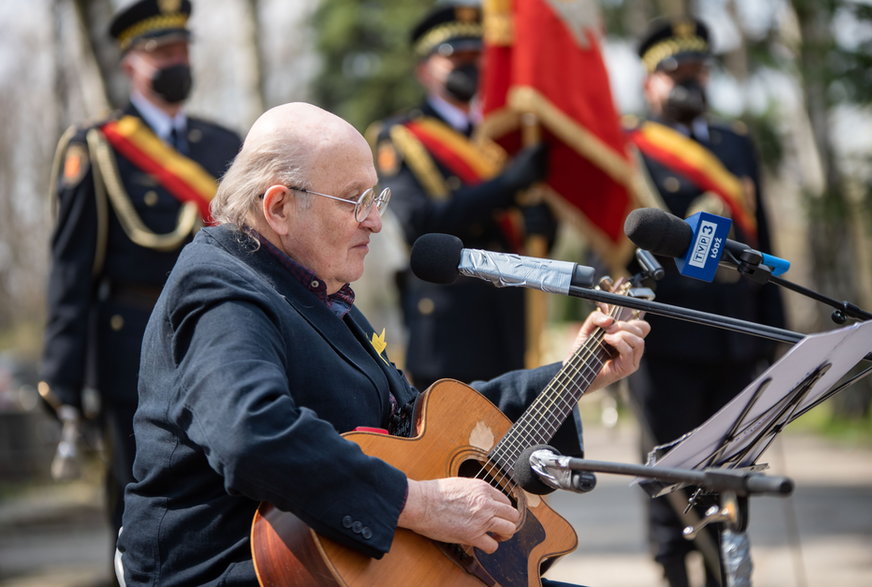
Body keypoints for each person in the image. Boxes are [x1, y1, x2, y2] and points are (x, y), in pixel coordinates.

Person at [114, 101, 649, 586]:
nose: (374, 220)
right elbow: (251, 433)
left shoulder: (313, 288)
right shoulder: (221, 287)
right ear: (277, 207)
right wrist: (416, 503)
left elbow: (413, 422)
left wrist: (579, 373)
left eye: (376, 198)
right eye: (354, 201)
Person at [38, 0, 241, 546]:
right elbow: (72, 269)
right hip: (131, 343)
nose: (176, 62)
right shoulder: (98, 149)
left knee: (226, 492)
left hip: (220, 337)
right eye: (161, 53)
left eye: (181, 50)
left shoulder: (226, 144)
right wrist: (62, 378)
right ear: (130, 63)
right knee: (140, 497)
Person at [624, 16, 787, 587]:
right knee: (668, 468)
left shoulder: (735, 143)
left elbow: (762, 243)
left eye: (698, 71)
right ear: (650, 83)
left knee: (733, 470)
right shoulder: (629, 147)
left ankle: (729, 572)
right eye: (676, 72)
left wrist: (776, 335)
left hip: (738, 336)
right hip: (666, 338)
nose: (690, 83)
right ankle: (674, 572)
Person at [370, 1, 558, 390]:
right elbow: (418, 223)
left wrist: (541, 223)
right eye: (454, 56)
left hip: (510, 313)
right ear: (423, 69)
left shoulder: (507, 135)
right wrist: (505, 188)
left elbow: (529, 226)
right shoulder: (402, 136)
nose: (469, 65)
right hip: (449, 321)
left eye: (477, 54)